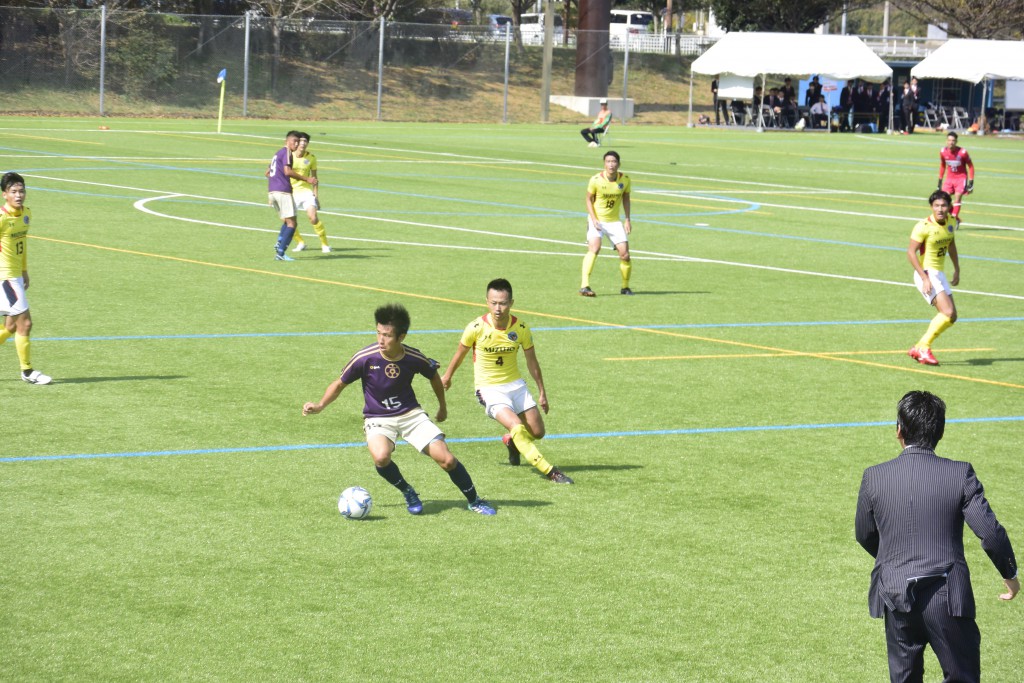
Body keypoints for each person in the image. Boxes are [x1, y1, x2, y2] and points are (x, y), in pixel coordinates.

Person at [856, 390, 1018, 683]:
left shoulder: (874, 476)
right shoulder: (959, 474)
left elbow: (864, 534)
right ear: (940, 431)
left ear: (898, 430)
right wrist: (1010, 573)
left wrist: (895, 559)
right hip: (948, 598)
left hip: (896, 596)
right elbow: (990, 532)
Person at [302, 303, 496, 516]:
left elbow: (433, 376)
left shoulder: (413, 357)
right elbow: (339, 384)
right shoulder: (365, 358)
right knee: (381, 457)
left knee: (447, 460)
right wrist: (320, 405)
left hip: (411, 415)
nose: (381, 340)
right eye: (378, 333)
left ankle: (474, 500)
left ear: (401, 337)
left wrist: (442, 407)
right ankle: (408, 491)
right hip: (377, 418)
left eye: (387, 335)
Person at [440, 278, 573, 484]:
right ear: (486, 301)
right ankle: (550, 471)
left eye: (502, 303)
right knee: (518, 426)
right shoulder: (476, 327)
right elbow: (460, 354)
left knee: (537, 432)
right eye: (493, 303)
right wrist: (447, 377)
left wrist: (542, 392)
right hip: (489, 389)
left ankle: (511, 441)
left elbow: (532, 361)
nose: (498, 308)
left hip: (516, 386)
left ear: (511, 302)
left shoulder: (520, 328)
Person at [0, 172, 51, 385]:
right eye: (14, 191)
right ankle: (27, 371)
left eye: (21, 191)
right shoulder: (2, 218)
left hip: (16, 277)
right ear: (5, 195)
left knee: (11, 327)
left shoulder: (26, 214)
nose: (18, 195)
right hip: (5, 278)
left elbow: (22, 245)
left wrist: (24, 270)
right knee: (26, 323)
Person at [906, 190, 960, 366]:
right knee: (947, 312)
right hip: (927, 273)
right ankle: (923, 347)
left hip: (940, 273)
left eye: (944, 205)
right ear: (931, 207)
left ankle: (920, 347)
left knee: (952, 316)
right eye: (936, 205)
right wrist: (924, 277)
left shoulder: (951, 222)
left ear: (949, 206)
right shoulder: (923, 226)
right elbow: (910, 252)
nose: (940, 209)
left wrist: (957, 268)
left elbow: (951, 243)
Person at [580, 150, 633, 296]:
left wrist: (627, 219)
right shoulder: (596, 179)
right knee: (594, 248)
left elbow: (626, 199)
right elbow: (588, 199)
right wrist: (594, 218)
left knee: (625, 255)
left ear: (619, 164)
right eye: (608, 162)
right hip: (597, 220)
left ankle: (625, 287)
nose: (611, 164)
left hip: (614, 222)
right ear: (604, 164)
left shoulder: (625, 180)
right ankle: (584, 286)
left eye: (614, 161)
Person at [266, 130, 317, 261]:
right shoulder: (287, 152)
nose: (296, 144)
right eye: (294, 141)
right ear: (286, 141)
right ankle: (281, 253)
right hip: (282, 191)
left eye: (298, 141)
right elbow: (288, 172)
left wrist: (273, 187)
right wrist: (307, 179)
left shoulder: (277, 153)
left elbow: (267, 172)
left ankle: (279, 244)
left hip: (273, 191)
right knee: (292, 224)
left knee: (288, 220)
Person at [289, 133, 332, 254]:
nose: (303, 143)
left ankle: (325, 245)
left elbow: (315, 178)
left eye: (305, 141)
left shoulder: (312, 158)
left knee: (313, 218)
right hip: (290, 192)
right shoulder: (289, 156)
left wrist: (316, 195)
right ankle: (300, 243)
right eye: (301, 141)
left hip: (306, 192)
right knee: (288, 221)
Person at [938, 132, 975, 220]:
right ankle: (956, 217)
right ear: (946, 141)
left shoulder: (962, 152)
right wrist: (940, 180)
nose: (951, 142)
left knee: (957, 197)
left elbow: (970, 166)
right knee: (944, 199)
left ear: (956, 141)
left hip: (961, 178)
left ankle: (954, 218)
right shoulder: (943, 152)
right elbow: (943, 165)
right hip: (949, 178)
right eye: (949, 140)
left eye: (953, 140)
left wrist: (971, 181)